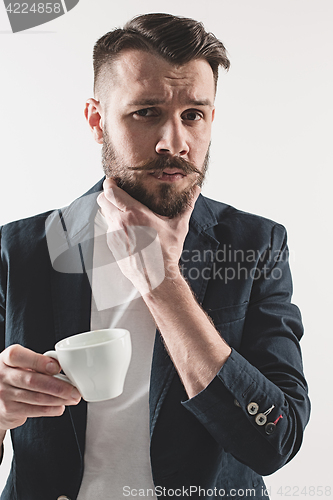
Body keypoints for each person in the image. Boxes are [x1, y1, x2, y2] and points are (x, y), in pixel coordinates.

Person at [0, 13, 310, 500]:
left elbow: (276, 439)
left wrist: (164, 284)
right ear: (97, 120)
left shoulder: (255, 245)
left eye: (194, 114)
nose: (175, 143)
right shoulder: (19, 251)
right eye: (146, 112)